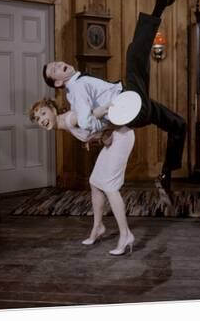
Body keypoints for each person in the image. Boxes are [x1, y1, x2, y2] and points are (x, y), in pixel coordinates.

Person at [42, 0, 186, 204]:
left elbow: (87, 122)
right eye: (55, 69)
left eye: (57, 62)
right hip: (128, 106)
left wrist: (102, 130)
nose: (60, 64)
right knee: (134, 54)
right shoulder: (75, 90)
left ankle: (165, 176)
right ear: (58, 82)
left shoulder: (78, 83)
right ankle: (162, 0)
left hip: (134, 107)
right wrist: (105, 121)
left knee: (178, 125)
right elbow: (87, 122)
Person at [29, 98, 135, 256]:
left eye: (44, 113)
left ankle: (126, 235)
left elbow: (103, 119)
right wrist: (93, 138)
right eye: (38, 118)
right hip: (114, 138)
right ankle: (98, 227)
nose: (42, 120)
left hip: (122, 137)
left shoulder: (70, 119)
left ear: (53, 109)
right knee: (95, 182)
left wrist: (106, 133)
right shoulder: (65, 124)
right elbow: (92, 126)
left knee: (110, 186)